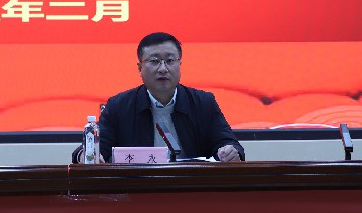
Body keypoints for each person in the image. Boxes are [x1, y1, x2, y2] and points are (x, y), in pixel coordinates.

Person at [82, 32, 244, 163]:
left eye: (170, 60)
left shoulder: (203, 103)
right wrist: (86, 156)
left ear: (179, 65)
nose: (163, 69)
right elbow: (95, 149)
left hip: (191, 186)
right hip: (137, 188)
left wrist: (230, 151)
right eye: (154, 61)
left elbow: (228, 143)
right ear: (140, 68)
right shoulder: (119, 106)